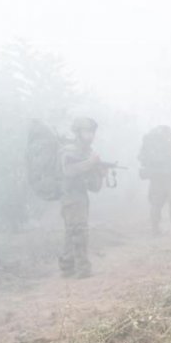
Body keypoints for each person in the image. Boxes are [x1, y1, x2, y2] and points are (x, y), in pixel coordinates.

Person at [58, 117, 103, 278]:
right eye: (86, 131)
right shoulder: (69, 150)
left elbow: (94, 187)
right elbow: (68, 171)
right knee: (78, 232)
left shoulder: (88, 152)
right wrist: (91, 163)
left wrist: (99, 172)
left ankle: (67, 267)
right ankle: (82, 268)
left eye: (92, 131)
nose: (90, 135)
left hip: (80, 197)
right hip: (71, 197)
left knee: (73, 231)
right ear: (77, 132)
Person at [138, 125, 171, 234]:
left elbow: (141, 158)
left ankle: (155, 229)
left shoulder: (150, 144)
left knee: (156, 204)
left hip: (156, 178)